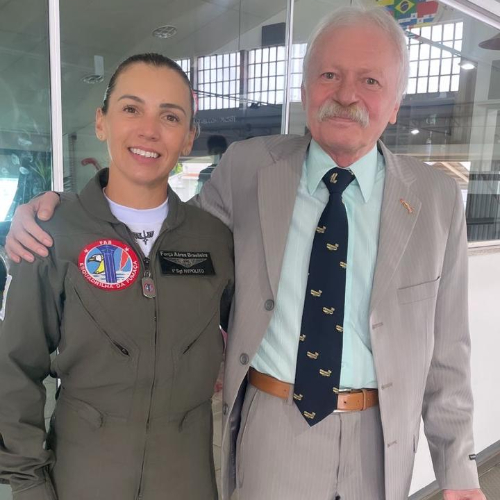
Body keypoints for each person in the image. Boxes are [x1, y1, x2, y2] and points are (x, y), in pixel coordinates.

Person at [4, 7, 485, 500]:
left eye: (370, 80)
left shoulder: (436, 199)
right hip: (273, 429)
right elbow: (162, 229)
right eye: (329, 75)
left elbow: (448, 351)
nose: (346, 95)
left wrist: (459, 472)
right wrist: (56, 211)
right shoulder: (248, 170)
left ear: (397, 101)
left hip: (380, 440)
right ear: (304, 89)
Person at [0, 53, 234, 500]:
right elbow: (14, 367)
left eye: (170, 116)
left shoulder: (215, 241)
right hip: (82, 473)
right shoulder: (50, 235)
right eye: (131, 109)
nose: (149, 130)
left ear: (189, 137)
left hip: (185, 476)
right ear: (101, 121)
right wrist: (28, 483)